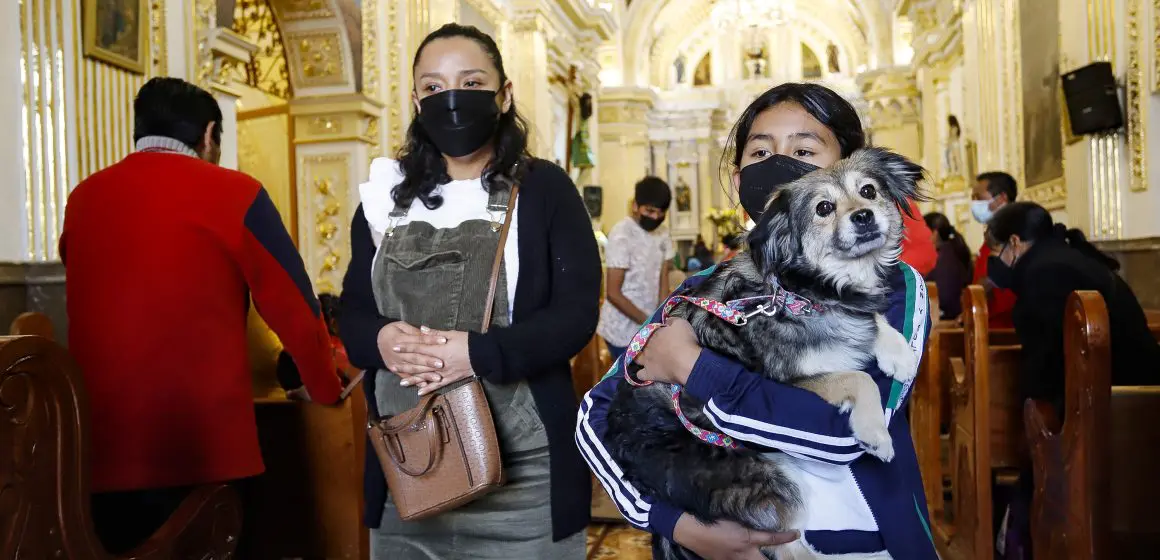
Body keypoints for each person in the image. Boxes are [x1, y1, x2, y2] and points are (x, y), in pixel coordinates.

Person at [578, 82, 935, 559]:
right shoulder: (706, 287)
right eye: (760, 152)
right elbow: (595, 416)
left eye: (804, 149)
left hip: (854, 538)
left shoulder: (889, 286)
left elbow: (841, 433)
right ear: (738, 172)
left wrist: (690, 366)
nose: (778, 165)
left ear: (851, 163)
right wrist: (674, 523)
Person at [338, 23, 600, 559]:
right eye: (433, 87)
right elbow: (355, 315)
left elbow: (575, 313)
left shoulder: (543, 188)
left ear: (504, 95)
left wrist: (478, 353)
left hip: (523, 479)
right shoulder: (383, 197)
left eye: (470, 81)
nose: (450, 98)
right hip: (409, 467)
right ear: (415, 100)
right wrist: (384, 340)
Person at [60, 77, 343, 553]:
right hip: (205, 455)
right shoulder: (236, 193)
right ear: (209, 134)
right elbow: (292, 304)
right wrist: (326, 388)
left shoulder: (82, 198)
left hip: (98, 455)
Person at [985, 202, 1160, 558]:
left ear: (1014, 243)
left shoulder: (1046, 274)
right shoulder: (1062, 259)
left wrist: (1030, 422)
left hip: (1110, 405)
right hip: (1126, 395)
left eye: (993, 249)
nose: (992, 260)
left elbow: (1047, 364)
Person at [597, 176, 674, 358]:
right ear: (635, 206)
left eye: (660, 213)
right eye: (650, 211)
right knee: (634, 380)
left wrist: (662, 317)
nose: (655, 217)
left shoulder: (663, 233)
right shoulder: (622, 234)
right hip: (621, 328)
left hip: (649, 323)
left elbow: (662, 279)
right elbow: (613, 293)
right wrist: (647, 321)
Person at [971, 171, 1019, 327]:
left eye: (979, 198)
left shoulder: (1015, 237)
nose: (974, 204)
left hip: (1004, 329)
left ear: (1001, 199)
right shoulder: (991, 235)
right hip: (985, 323)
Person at [924, 212, 972, 320]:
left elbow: (944, 298)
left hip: (946, 321)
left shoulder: (944, 259)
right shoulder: (953, 250)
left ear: (934, 233)